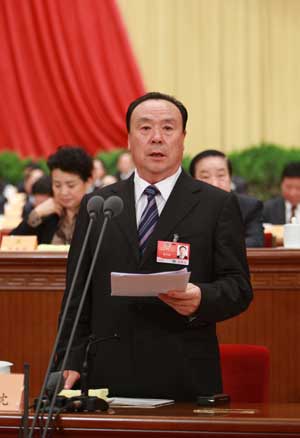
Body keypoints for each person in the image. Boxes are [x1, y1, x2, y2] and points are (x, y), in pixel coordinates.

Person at [57, 92, 253, 401]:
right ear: (129, 139)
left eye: (168, 128)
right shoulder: (99, 205)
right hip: (108, 374)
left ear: (183, 138)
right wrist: (67, 360)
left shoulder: (216, 204)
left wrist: (201, 297)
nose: (157, 138)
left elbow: (239, 287)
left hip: (184, 373)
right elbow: (76, 295)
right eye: (145, 128)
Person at [11, 146, 93, 244]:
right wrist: (36, 213)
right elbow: (11, 245)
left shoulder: (98, 215)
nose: (63, 192)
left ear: (88, 182)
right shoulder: (47, 214)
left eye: (71, 185)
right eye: (57, 185)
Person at [189, 150, 264, 248]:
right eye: (205, 176)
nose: (214, 183)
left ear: (230, 178)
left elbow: (255, 241)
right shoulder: (184, 207)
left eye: (221, 175)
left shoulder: (249, 206)